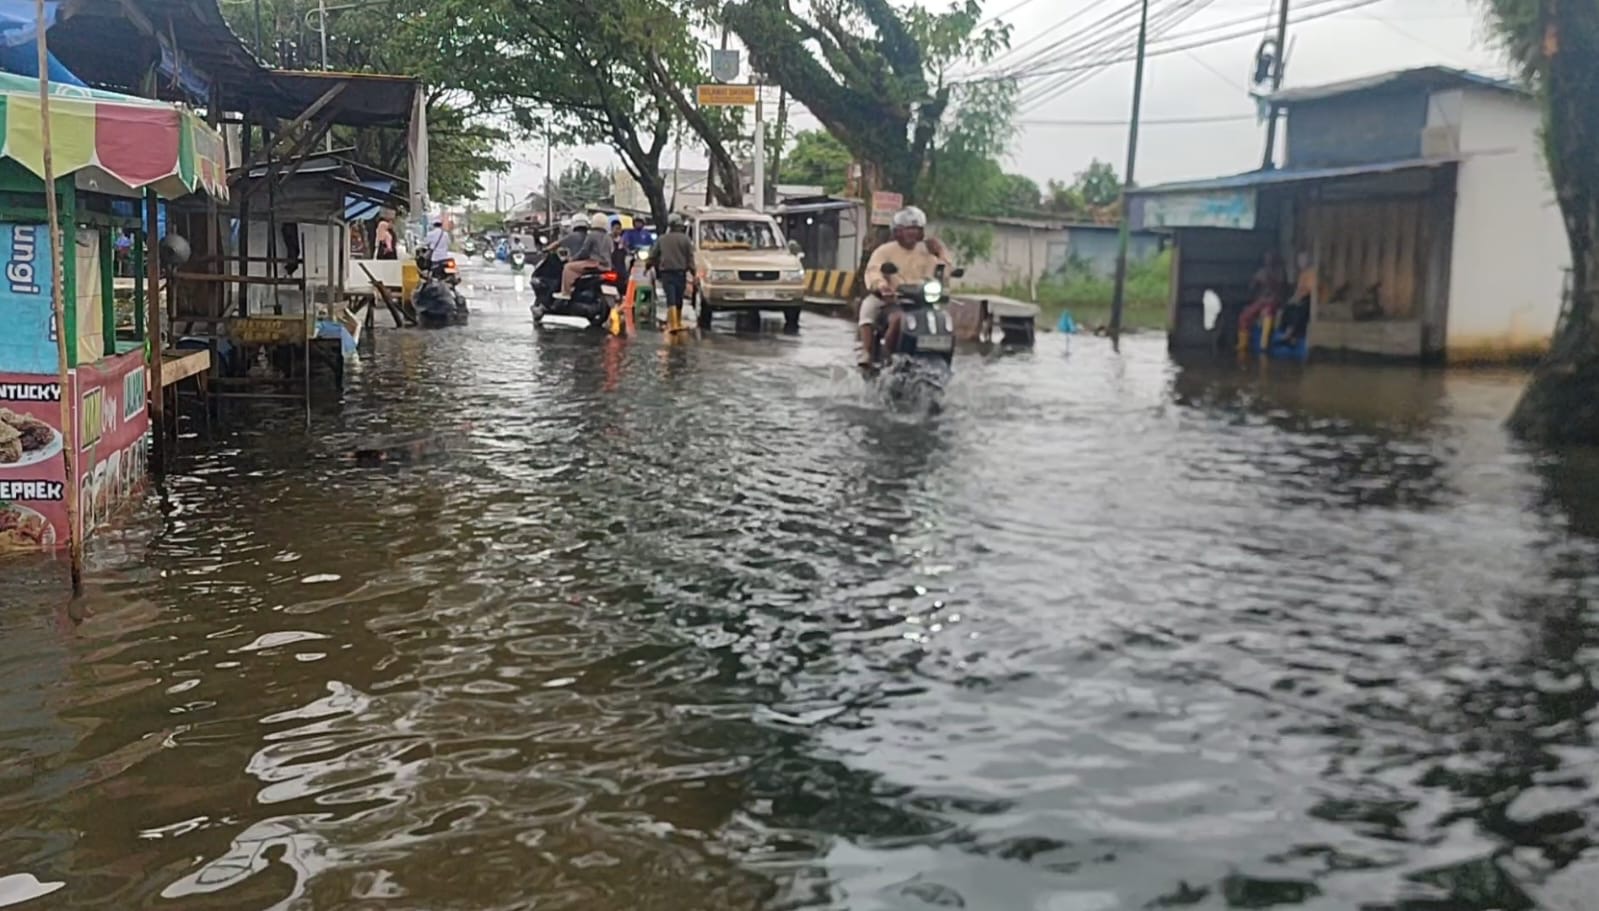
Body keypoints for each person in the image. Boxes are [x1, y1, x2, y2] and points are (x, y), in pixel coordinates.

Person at [859, 206, 950, 366]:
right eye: (908, 229)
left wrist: (942, 252)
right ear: (897, 231)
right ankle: (872, 353)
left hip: (922, 301)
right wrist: (881, 286)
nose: (912, 233)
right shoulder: (884, 251)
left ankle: (943, 357)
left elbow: (943, 272)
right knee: (870, 308)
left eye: (916, 229)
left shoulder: (927, 252)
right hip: (892, 299)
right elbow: (873, 270)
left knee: (944, 319)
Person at [653, 213, 695, 330]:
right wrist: (694, 273)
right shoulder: (686, 240)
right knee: (678, 297)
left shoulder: (662, 239)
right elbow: (690, 258)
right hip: (680, 273)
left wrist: (647, 267)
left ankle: (672, 324)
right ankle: (678, 322)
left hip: (667, 273)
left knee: (670, 298)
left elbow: (653, 255)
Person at [1237, 250, 1286, 348]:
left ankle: (1264, 345)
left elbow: (1280, 288)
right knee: (1244, 317)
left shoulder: (1279, 271)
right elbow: (1251, 288)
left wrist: (1268, 278)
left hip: (1273, 300)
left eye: (1270, 258)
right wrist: (1255, 280)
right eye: (1266, 258)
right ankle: (1243, 345)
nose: (1268, 261)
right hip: (1261, 300)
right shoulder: (1261, 271)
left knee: (1267, 312)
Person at [562, 213, 613, 294]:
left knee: (568, 267)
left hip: (594, 264)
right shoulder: (609, 237)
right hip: (607, 266)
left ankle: (566, 292)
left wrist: (573, 259)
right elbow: (611, 251)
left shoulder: (592, 235)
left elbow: (584, 251)